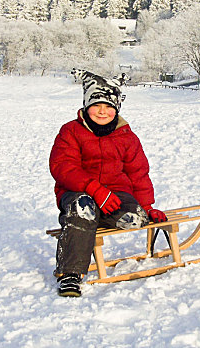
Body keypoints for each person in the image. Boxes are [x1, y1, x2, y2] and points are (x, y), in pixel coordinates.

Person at [49, 70, 167, 297]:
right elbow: (63, 167)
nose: (103, 111)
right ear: (86, 106)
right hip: (77, 193)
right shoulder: (71, 131)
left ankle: (90, 217)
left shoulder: (126, 136)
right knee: (83, 207)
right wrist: (95, 190)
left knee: (135, 219)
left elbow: (138, 173)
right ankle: (70, 274)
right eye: (96, 105)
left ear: (117, 109)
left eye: (109, 106)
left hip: (116, 195)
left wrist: (148, 207)